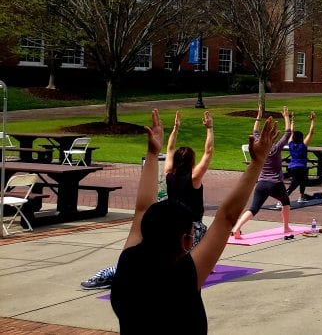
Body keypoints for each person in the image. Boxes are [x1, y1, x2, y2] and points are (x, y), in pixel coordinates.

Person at [109, 109, 279, 333]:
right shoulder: (183, 276)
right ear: (186, 242)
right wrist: (257, 162)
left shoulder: (128, 263)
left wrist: (152, 154)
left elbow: (142, 209)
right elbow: (226, 217)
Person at [80, 110, 214, 290]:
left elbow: (169, 150)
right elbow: (209, 151)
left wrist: (175, 129)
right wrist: (209, 128)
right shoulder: (194, 178)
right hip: (191, 229)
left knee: (150, 254)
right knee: (181, 251)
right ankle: (117, 274)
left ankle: (113, 273)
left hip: (169, 225)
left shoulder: (169, 173)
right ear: (191, 162)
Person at [231, 105, 294, 239]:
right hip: (276, 183)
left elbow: (255, 132)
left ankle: (237, 227)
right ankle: (286, 227)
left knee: (253, 208)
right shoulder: (276, 148)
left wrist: (259, 116)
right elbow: (288, 133)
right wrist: (286, 117)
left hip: (261, 184)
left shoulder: (259, 147)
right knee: (286, 202)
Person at [285, 111, 316, 202]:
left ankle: (301, 196)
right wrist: (312, 120)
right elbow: (311, 132)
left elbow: (291, 132)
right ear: (301, 138)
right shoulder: (303, 145)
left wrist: (292, 120)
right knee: (294, 184)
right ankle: (283, 199)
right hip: (301, 167)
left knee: (303, 181)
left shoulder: (290, 144)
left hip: (293, 167)